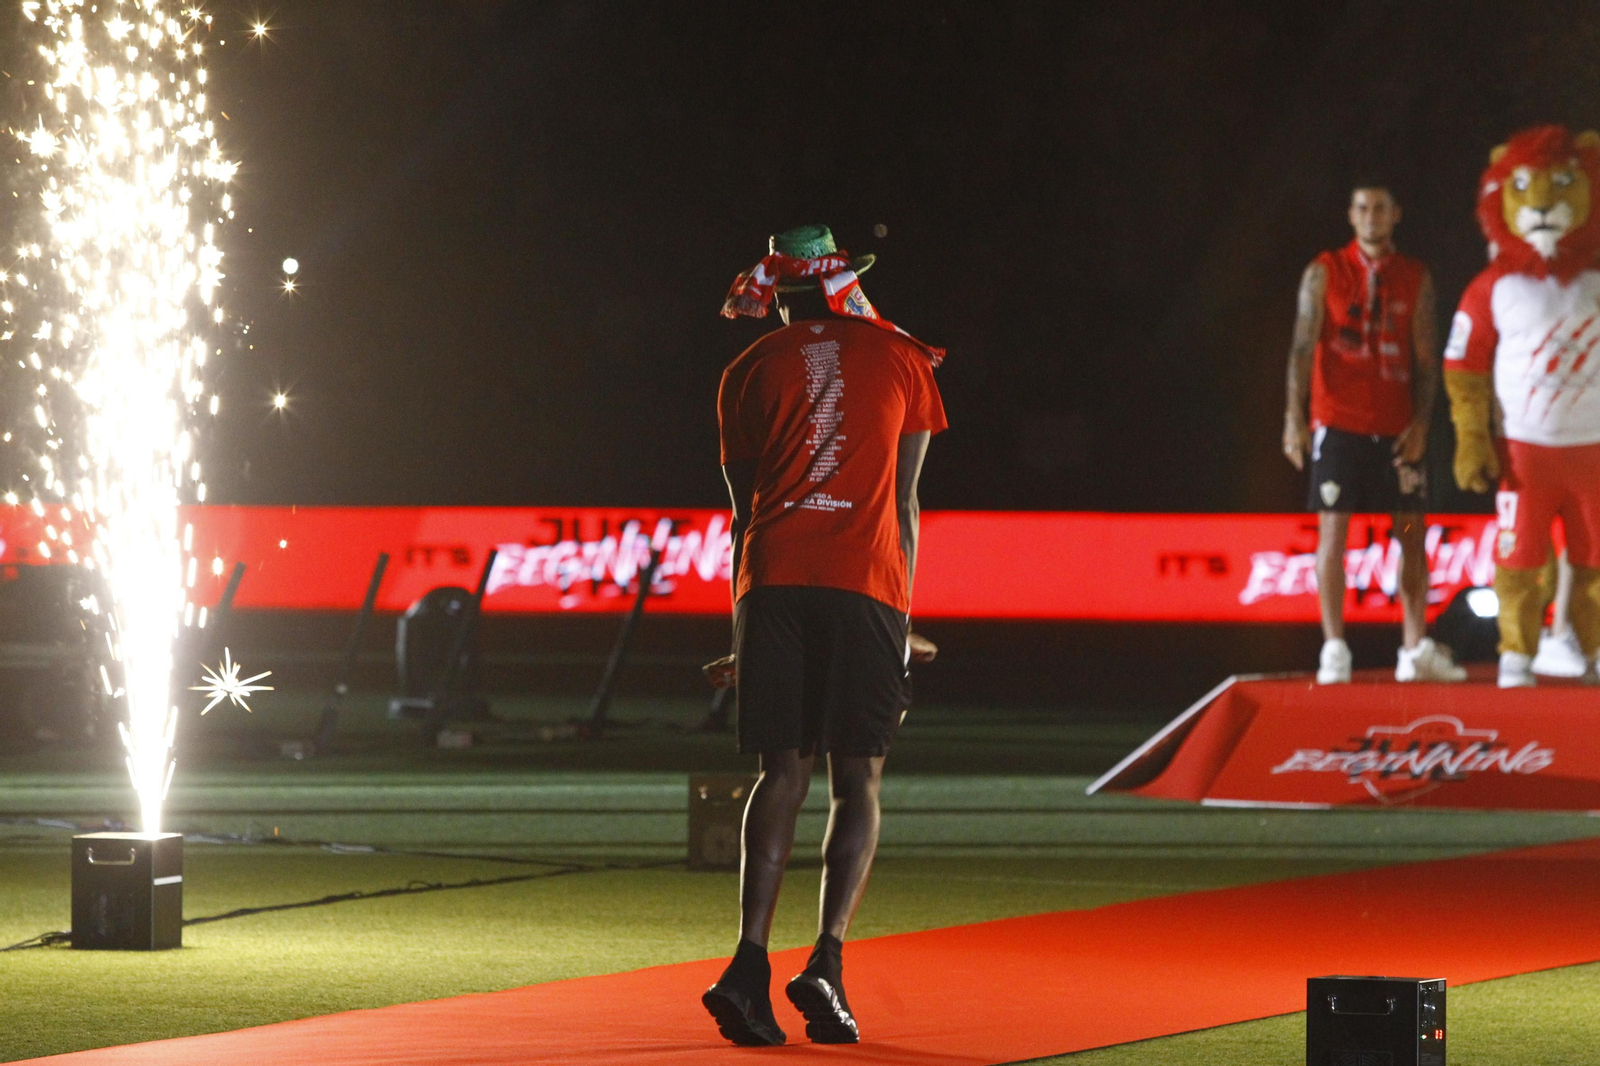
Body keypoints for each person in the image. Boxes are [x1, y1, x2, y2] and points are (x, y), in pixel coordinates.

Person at [699, 225, 945, 1047]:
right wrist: (900, 622)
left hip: (771, 583)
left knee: (781, 775)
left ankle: (747, 965)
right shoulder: (905, 358)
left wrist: (744, 628)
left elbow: (745, 515)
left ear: (782, 295)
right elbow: (904, 506)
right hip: (865, 584)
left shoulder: (747, 367)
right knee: (858, 780)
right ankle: (827, 962)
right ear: (846, 285)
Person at [1282, 182, 1466, 683]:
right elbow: (1301, 348)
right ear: (1351, 214)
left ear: (1395, 214)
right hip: (1338, 426)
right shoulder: (1325, 271)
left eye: (1380, 208)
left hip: (1396, 431)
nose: (1371, 217)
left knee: (1410, 535)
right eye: (1363, 208)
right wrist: (1294, 417)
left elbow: (1426, 359)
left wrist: (1422, 422)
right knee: (1333, 532)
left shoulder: (1413, 276)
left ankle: (1413, 647)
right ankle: (1334, 647)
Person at [1445, 124, 1600, 687]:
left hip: (1594, 450)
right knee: (1519, 558)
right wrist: (1471, 439)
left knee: (1595, 559)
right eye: (1524, 186)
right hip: (1524, 454)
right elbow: (1464, 366)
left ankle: (1592, 649)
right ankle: (1517, 652)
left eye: (1559, 184)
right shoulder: (1493, 287)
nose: (1540, 203)